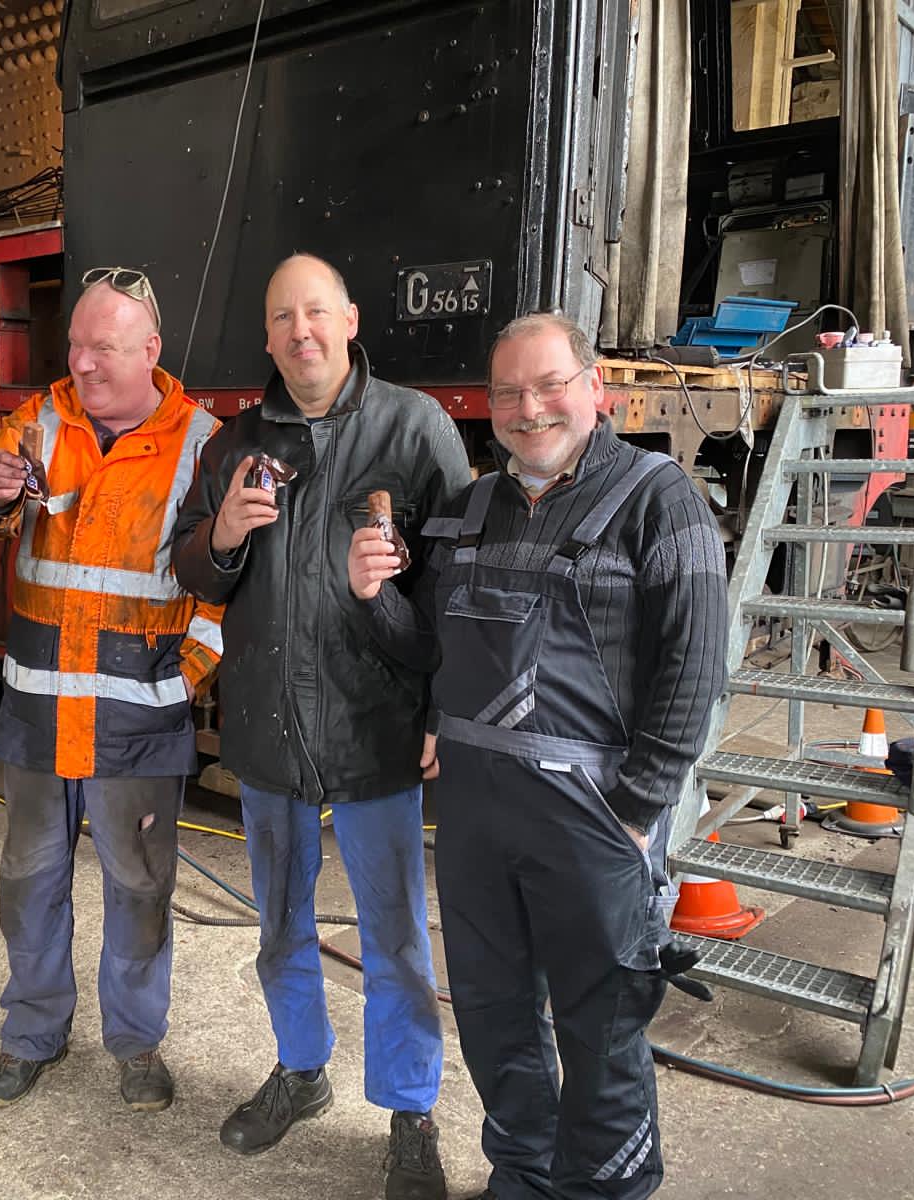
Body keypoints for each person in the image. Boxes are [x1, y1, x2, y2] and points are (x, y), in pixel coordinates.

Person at [348, 312, 729, 1200]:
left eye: (551, 385)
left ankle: (606, 1188)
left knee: (603, 1026)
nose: (530, 409)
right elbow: (430, 651)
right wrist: (374, 597)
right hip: (476, 813)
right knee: (492, 1012)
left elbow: (696, 665)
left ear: (596, 389)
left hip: (595, 815)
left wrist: (638, 809)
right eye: (509, 392)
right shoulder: (469, 507)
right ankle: (521, 1173)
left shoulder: (659, 498)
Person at [172, 253, 470, 1200]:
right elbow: (192, 568)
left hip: (375, 726)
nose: (300, 331)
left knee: (395, 940)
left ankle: (411, 1111)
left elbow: (456, 587)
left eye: (315, 312)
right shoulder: (235, 443)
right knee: (280, 927)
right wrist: (223, 532)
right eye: (281, 317)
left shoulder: (414, 428)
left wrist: (442, 709)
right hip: (269, 730)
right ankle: (301, 1071)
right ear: (267, 338)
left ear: (349, 321)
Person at [0, 268, 224, 1114]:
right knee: (28, 877)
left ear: (150, 350)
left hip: (138, 717)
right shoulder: (42, 419)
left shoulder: (203, 444)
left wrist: (187, 673)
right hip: (38, 709)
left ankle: (136, 1044)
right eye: (75, 344)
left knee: (139, 887)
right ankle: (31, 1034)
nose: (81, 362)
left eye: (102, 348)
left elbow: (227, 581)